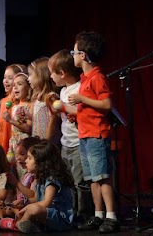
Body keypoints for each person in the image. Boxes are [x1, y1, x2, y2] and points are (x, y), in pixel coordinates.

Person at [65, 31, 119, 233]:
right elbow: (87, 108)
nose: (73, 55)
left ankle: (111, 216)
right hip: (85, 134)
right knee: (92, 178)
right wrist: (74, 112)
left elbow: (106, 104)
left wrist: (82, 100)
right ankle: (98, 215)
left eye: (75, 51)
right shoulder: (85, 79)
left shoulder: (97, 78)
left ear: (84, 56)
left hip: (97, 134)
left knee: (102, 177)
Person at [48, 49, 94, 223]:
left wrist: (65, 109)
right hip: (65, 143)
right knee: (68, 181)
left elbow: (80, 115)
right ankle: (70, 212)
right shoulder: (63, 91)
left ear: (62, 73)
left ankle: (84, 214)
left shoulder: (79, 89)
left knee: (80, 182)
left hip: (78, 142)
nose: (51, 77)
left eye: (52, 73)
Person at [0, 139, 74, 233]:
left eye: (29, 158)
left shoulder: (52, 180)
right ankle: (29, 225)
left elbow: (46, 203)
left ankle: (15, 224)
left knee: (34, 209)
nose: (26, 161)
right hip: (47, 215)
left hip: (60, 218)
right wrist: (23, 203)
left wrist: (27, 207)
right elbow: (36, 199)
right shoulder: (39, 179)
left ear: (41, 162)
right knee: (25, 207)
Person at [0, 137, 40, 222]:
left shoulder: (34, 176)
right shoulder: (26, 174)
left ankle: (10, 223)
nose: (18, 158)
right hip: (19, 205)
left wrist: (17, 183)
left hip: (27, 206)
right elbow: (18, 194)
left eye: (23, 154)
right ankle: (1, 221)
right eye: (17, 155)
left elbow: (32, 195)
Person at [3, 70, 33, 179]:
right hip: (14, 143)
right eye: (14, 85)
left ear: (28, 87)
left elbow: (28, 128)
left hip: (23, 144)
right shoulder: (15, 105)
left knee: (24, 174)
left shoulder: (29, 105)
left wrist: (10, 120)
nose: (15, 87)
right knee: (13, 174)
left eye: (19, 84)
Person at [27, 57, 61, 147]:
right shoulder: (36, 98)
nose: (28, 79)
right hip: (38, 143)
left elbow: (52, 123)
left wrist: (46, 143)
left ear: (41, 76)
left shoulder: (51, 97)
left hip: (47, 145)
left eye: (30, 75)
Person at [0, 64, 26, 154]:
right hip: (1, 138)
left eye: (10, 78)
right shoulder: (3, 101)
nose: (6, 81)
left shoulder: (19, 102)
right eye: (5, 77)